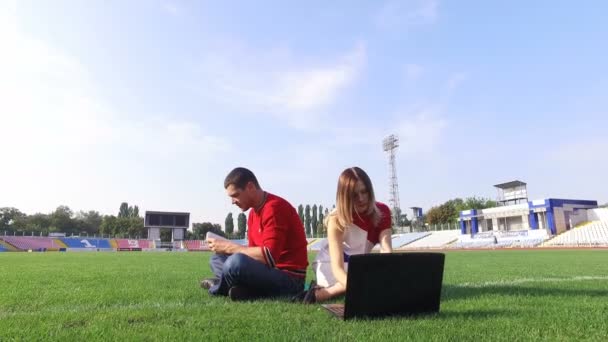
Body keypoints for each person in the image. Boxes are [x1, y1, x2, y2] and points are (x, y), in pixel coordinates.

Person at [200, 167, 309, 301]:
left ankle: (217, 287)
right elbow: (252, 255)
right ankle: (245, 290)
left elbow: (269, 256)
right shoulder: (252, 214)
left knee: (235, 262)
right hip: (269, 271)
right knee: (217, 259)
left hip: (289, 279)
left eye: (235, 195)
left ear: (250, 187)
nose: (232, 202)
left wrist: (229, 247)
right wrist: (226, 250)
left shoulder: (274, 208)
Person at [297, 166, 392, 304]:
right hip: (330, 264)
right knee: (366, 278)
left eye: (364, 191)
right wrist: (358, 288)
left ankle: (322, 292)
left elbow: (386, 249)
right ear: (344, 196)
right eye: (354, 195)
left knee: (371, 275)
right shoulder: (336, 219)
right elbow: (337, 268)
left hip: (357, 263)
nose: (361, 198)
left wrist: (390, 273)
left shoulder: (382, 211)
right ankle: (322, 293)